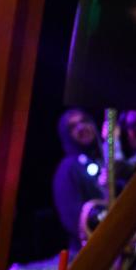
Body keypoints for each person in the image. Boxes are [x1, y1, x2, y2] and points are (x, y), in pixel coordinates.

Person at [52, 108, 104, 252]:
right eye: (73, 126)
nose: (81, 127)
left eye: (84, 121)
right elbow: (73, 218)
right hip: (90, 250)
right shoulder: (68, 168)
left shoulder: (106, 161)